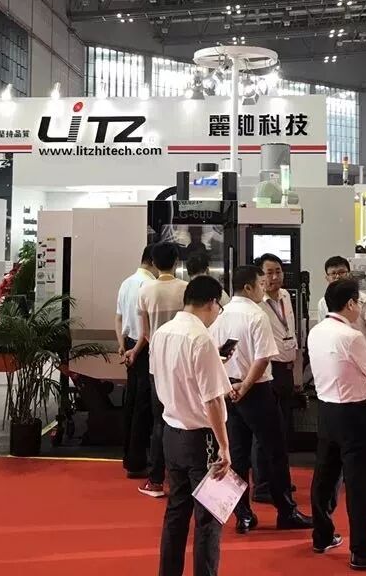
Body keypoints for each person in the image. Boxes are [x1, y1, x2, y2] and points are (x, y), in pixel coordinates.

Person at [210, 265, 312, 534]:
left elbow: (216, 355)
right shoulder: (257, 314)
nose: (264, 286)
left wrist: (231, 387)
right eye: (260, 283)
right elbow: (263, 357)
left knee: (237, 455)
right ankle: (286, 511)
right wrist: (245, 386)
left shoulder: (221, 315)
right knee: (274, 451)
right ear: (248, 287)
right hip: (255, 389)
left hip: (229, 390)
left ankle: (242, 515)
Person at [151, 275, 232, 576]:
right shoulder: (201, 339)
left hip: (172, 432)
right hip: (202, 438)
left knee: (177, 510)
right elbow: (212, 401)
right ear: (211, 303)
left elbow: (164, 376)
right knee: (209, 517)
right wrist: (224, 447)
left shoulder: (162, 333)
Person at [308, 278, 366, 570]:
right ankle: (361, 549)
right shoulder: (352, 336)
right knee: (359, 483)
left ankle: (321, 535)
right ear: (351, 303)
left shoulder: (316, 331)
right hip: (353, 413)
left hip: (326, 409)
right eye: (358, 303)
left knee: (325, 475)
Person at [136, 241, 188, 498]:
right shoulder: (186, 289)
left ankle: (156, 480)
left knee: (160, 421)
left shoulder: (145, 290)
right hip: (183, 362)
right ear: (176, 261)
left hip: (157, 364)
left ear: (154, 263)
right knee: (186, 418)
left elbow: (144, 332)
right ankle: (187, 477)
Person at [252, 253, 300, 503]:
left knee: (282, 431)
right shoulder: (256, 304)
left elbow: (288, 330)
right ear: (259, 277)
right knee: (265, 433)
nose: (275, 277)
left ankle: (279, 480)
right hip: (267, 371)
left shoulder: (286, 296)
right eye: (269, 272)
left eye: (278, 271)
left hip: (286, 370)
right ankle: (262, 486)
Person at [114, 245, 156, 478]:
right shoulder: (149, 285)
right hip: (142, 348)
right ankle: (138, 461)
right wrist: (137, 350)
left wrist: (123, 345)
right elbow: (146, 329)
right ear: (153, 261)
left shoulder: (126, 282)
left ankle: (129, 457)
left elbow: (118, 318)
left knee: (131, 402)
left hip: (129, 344)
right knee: (143, 405)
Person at [316, 256, 366, 359]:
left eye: (341, 272)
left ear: (349, 274)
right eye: (333, 273)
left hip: (365, 356)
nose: (337, 277)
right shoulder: (322, 303)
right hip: (338, 357)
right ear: (327, 278)